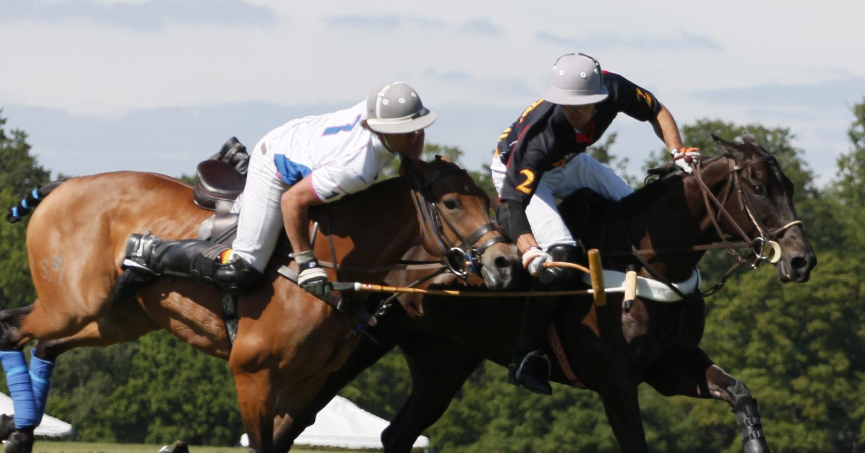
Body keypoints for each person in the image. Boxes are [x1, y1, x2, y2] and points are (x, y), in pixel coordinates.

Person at [491, 53, 699, 394]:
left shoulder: (614, 88)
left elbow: (657, 110)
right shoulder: (538, 140)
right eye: (567, 104)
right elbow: (512, 203)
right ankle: (525, 355)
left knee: (639, 216)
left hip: (572, 162)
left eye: (583, 105)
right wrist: (528, 249)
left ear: (600, 96)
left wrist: (677, 151)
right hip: (523, 178)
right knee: (561, 254)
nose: (574, 112)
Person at [122, 82, 436, 299]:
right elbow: (292, 202)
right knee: (242, 270)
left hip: (302, 140)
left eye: (416, 129)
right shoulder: (356, 169)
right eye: (404, 133)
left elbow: (410, 144)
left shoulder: (376, 113)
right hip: (275, 165)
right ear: (381, 129)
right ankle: (151, 251)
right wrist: (307, 263)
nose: (414, 138)